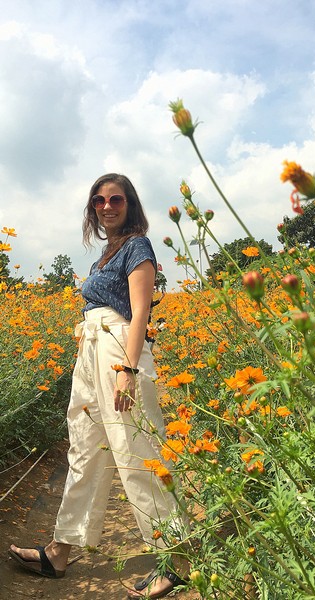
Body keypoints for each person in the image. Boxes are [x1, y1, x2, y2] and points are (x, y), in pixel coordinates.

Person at [9, 174, 188, 599]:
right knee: (84, 451)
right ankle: (59, 551)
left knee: (137, 453)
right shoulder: (102, 257)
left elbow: (141, 310)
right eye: (99, 200)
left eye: (116, 199)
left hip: (117, 352)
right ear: (92, 208)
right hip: (90, 352)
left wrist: (127, 368)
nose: (107, 206)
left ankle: (176, 560)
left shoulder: (137, 246)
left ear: (130, 204)